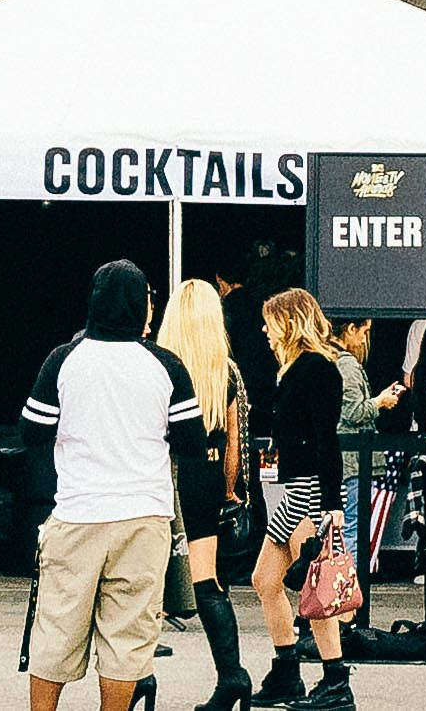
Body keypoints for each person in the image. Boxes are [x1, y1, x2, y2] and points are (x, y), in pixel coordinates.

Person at [22, 257, 213, 711]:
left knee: (57, 630)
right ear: (140, 306)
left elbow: (30, 432)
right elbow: (193, 442)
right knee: (128, 637)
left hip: (78, 515)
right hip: (144, 518)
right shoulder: (166, 365)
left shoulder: (63, 360)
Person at [251, 284, 358, 707]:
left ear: (289, 322)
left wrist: (332, 504)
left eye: (270, 321)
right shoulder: (294, 368)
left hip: (310, 492)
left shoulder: (317, 368)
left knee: (315, 590)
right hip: (296, 491)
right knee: (266, 581)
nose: (264, 329)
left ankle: (334, 681)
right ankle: (288, 670)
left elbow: (325, 439)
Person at [156, 278, 256, 709]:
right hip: (208, 480)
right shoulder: (225, 370)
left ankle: (136, 675)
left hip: (165, 475)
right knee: (209, 583)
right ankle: (231, 675)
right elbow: (236, 446)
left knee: (143, 583)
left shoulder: (160, 366)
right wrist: (231, 493)